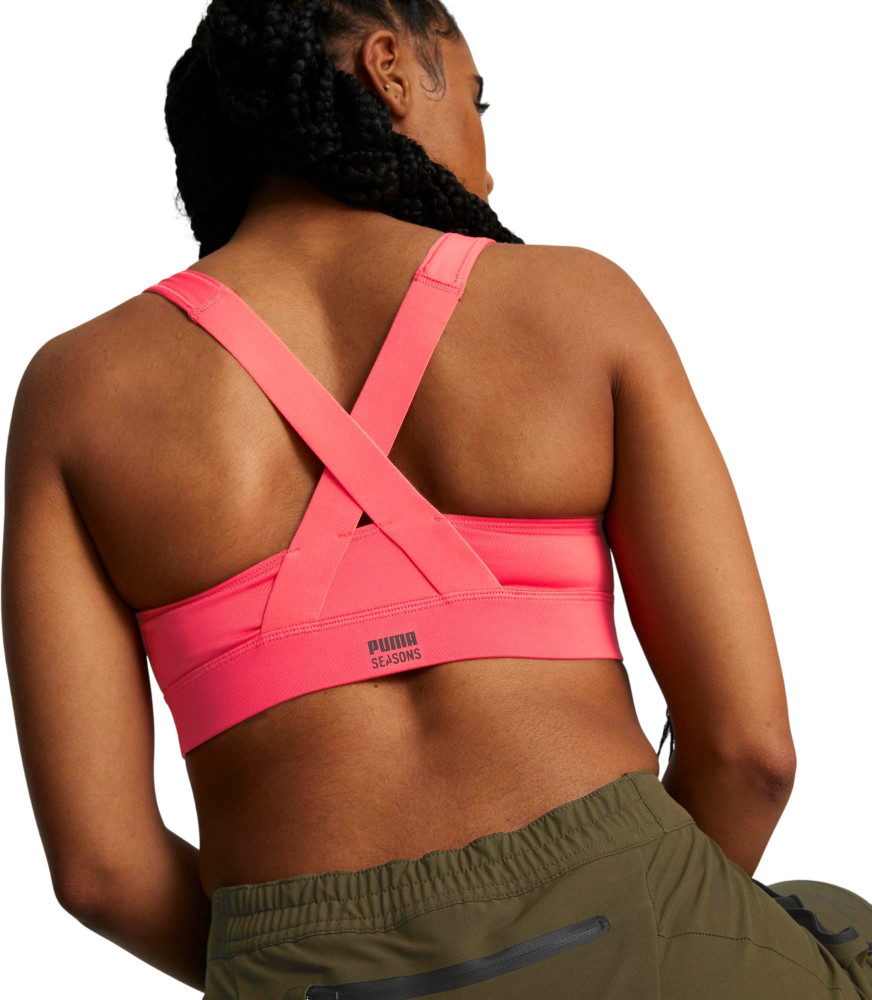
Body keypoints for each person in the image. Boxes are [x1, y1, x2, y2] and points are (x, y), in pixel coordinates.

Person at [2, 1, 870, 997]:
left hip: (308, 968)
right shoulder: (578, 303)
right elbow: (749, 753)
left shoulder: (79, 392)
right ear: (389, 70)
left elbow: (102, 871)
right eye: (477, 100)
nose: (487, 165)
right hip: (646, 929)